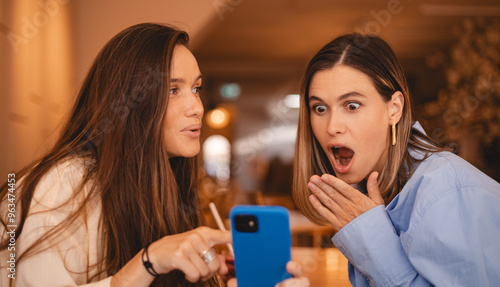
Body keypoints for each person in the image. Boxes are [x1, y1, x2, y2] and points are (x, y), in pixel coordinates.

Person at [0, 23, 308, 287]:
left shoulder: (159, 182)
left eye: (196, 89)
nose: (197, 108)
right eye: (173, 90)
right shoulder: (56, 188)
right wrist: (149, 262)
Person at [292, 33, 500, 286]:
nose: (332, 126)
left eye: (352, 105)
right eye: (320, 108)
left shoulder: (447, 190)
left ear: (394, 109)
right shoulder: (376, 188)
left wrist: (372, 238)